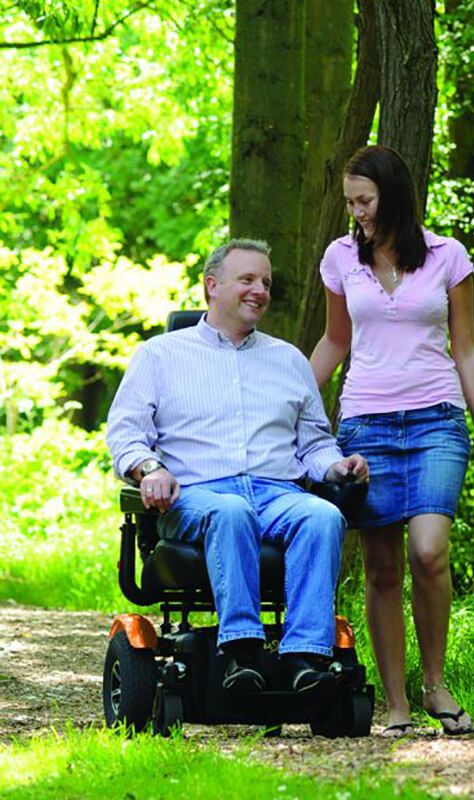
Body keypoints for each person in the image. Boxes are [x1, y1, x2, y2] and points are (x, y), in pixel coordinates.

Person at [106, 238, 368, 697]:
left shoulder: (288, 359)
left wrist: (337, 466)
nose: (260, 290)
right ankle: (240, 653)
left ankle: (304, 660)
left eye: (265, 282)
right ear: (212, 285)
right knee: (231, 511)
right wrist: (151, 469)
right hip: (196, 494)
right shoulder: (160, 355)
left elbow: (313, 443)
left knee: (323, 516)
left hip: (276, 492)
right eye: (247, 279)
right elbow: (125, 435)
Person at [309, 145, 474, 736]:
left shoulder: (448, 256)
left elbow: (466, 348)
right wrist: (285, 398)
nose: (357, 212)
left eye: (363, 200)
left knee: (428, 551)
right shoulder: (341, 257)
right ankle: (396, 704)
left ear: (391, 195)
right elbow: (335, 341)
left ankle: (436, 686)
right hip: (365, 424)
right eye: (350, 202)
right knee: (382, 568)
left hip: (436, 421)